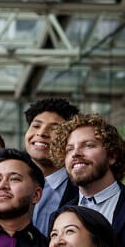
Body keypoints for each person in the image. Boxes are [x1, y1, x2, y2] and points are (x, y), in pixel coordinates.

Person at [50, 113, 125, 247]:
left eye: (88, 145)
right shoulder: (58, 217)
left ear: (112, 156)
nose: (76, 153)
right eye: (69, 149)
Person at [24, 98, 79, 235]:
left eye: (54, 128)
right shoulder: (7, 181)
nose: (41, 133)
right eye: (36, 126)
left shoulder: (81, 190)